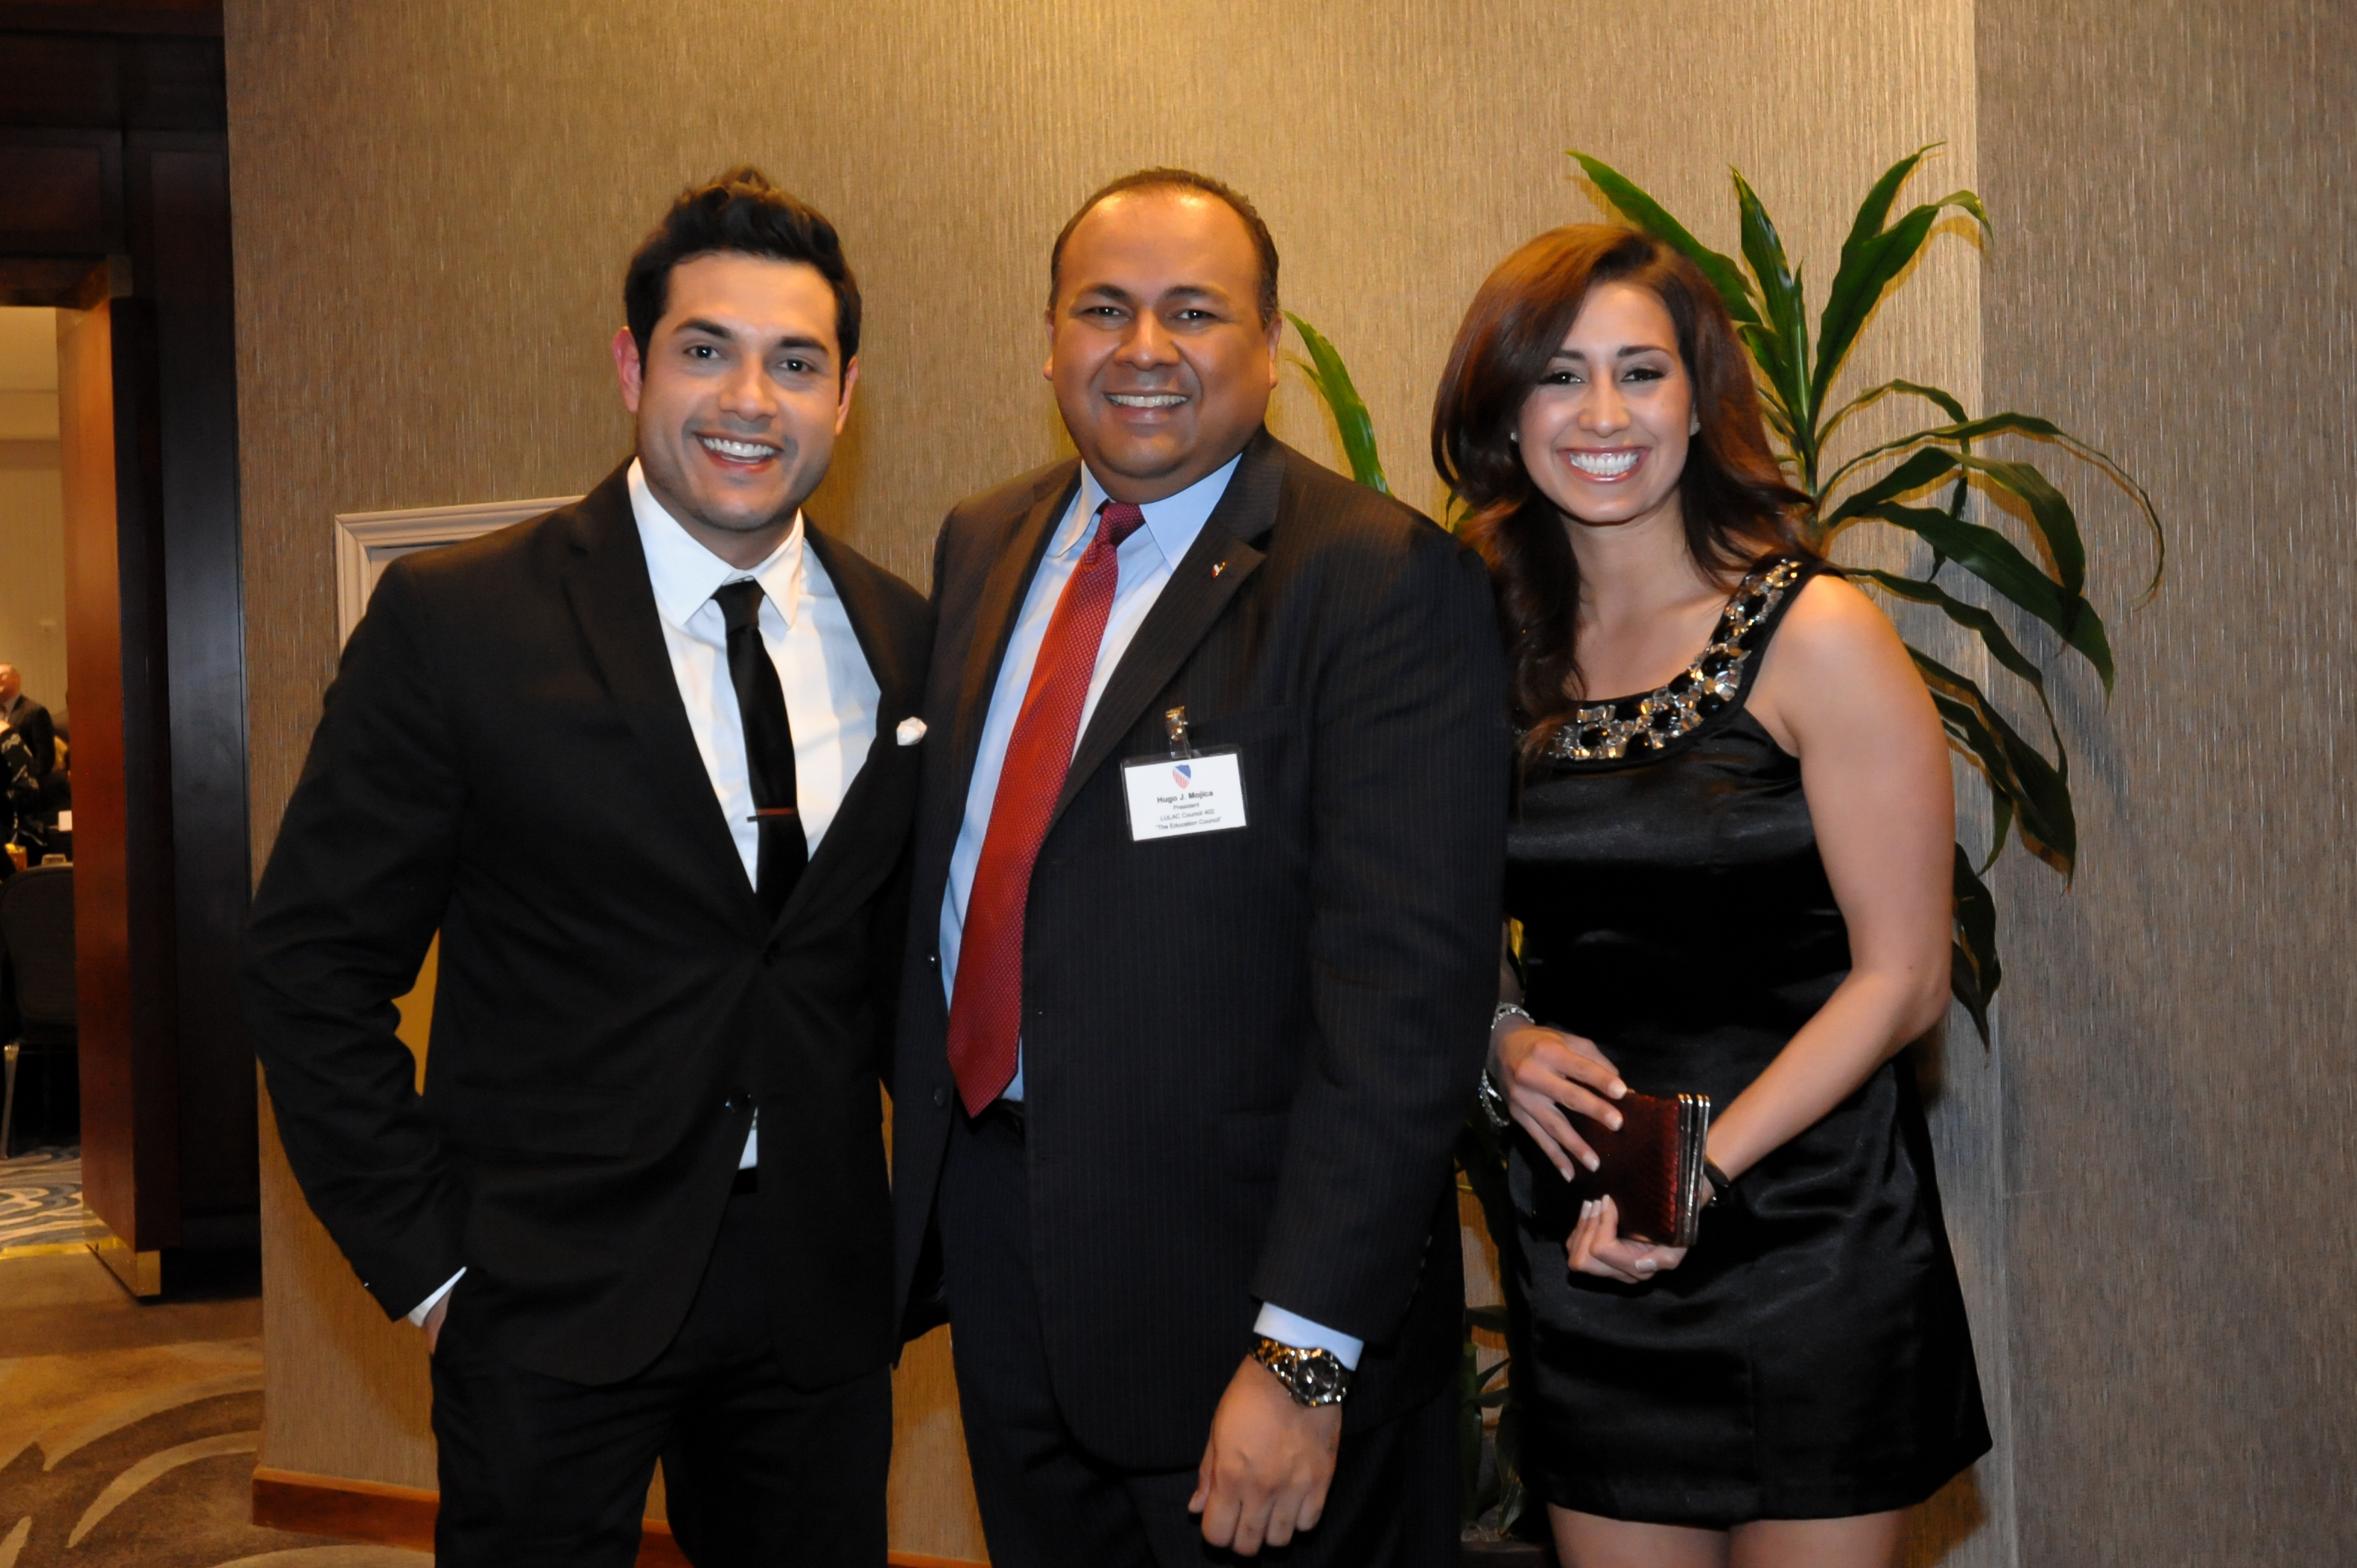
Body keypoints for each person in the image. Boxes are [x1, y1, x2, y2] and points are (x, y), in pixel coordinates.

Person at [241, 168, 930, 1568]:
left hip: (813, 1296)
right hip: (542, 1294)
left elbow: (898, 970)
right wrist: (429, 1261)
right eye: (705, 349)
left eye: (796, 362)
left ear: (846, 395)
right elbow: (309, 967)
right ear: (631, 367)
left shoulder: (906, 637)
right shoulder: (459, 621)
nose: (751, 399)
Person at [889, 168, 1508, 1567]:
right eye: (1103, 309)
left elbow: (1405, 1009)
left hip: (1244, 1303)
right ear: (1050, 339)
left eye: (1194, 312)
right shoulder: (982, 542)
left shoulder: (1376, 581)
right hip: (1006, 1265)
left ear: (1270, 346)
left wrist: (1302, 1356)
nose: (1144, 349)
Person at [1434, 226, 1990, 1568]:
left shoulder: (1816, 633)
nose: (1604, 414)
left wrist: (1693, 1175)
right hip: (1588, 1239)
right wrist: (1503, 1038)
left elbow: (1904, 977)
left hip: (1806, 1231)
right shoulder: (1475, 644)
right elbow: (1428, 915)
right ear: (1505, 413)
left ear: (1698, 400)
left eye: (1642, 371)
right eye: (1560, 375)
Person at [0, 664, 56, 779]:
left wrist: (30, 783)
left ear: (16, 679)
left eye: (1, 676)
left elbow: (45, 758)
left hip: (25, 784)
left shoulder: (35, 712)